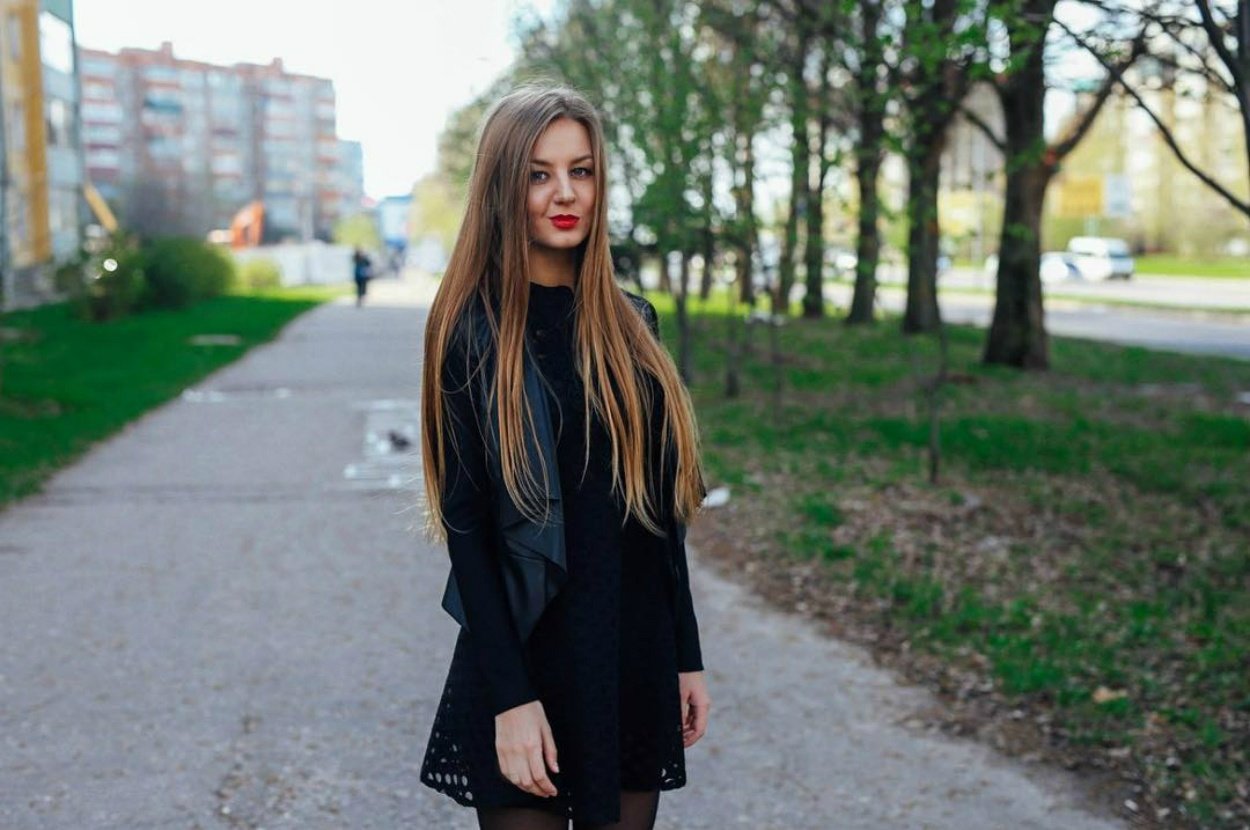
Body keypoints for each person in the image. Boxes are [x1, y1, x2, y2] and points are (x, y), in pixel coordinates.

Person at [418, 84, 711, 830]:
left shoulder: (632, 324)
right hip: (527, 657)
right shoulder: (471, 331)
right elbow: (467, 531)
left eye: (581, 170)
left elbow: (658, 518)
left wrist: (686, 654)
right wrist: (511, 700)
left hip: (631, 652)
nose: (565, 193)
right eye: (539, 174)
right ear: (502, 188)